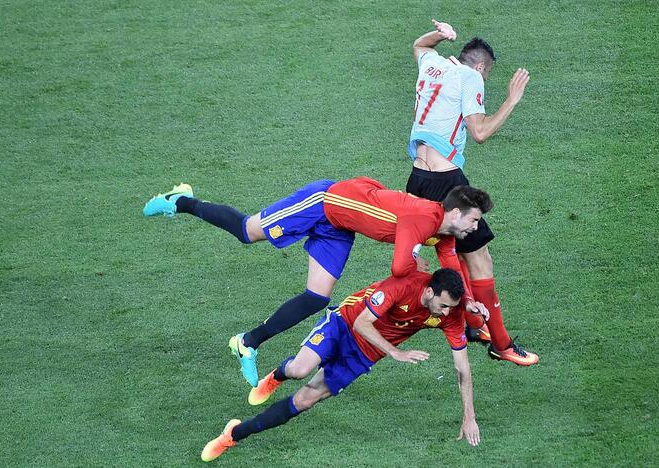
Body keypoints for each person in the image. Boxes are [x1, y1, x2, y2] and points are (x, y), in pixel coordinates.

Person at [143, 177, 491, 386]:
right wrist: (416, 255)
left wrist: (468, 299)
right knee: (247, 232)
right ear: (455, 213)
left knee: (316, 297)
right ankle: (182, 201)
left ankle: (247, 342)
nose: (475, 229)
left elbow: (450, 273)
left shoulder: (444, 233)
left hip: (341, 226)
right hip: (325, 203)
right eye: (474, 221)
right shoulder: (422, 219)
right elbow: (401, 268)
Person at [200, 268, 483, 462]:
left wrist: (469, 416)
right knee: (299, 370)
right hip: (345, 323)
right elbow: (362, 323)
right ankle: (277, 376)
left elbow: (463, 368)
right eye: (443, 305)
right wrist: (395, 352)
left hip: (363, 356)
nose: (446, 313)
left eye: (451, 308)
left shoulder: (451, 315)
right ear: (430, 291)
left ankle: (233, 434)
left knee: (305, 401)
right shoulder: (402, 286)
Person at [407, 19, 538, 366]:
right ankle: (502, 344)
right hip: (446, 180)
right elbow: (479, 131)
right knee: (481, 260)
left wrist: (441, 35)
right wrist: (511, 100)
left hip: (416, 180)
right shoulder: (471, 77)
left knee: (454, 252)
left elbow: (421, 45)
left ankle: (471, 323)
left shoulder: (433, 63)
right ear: (480, 66)